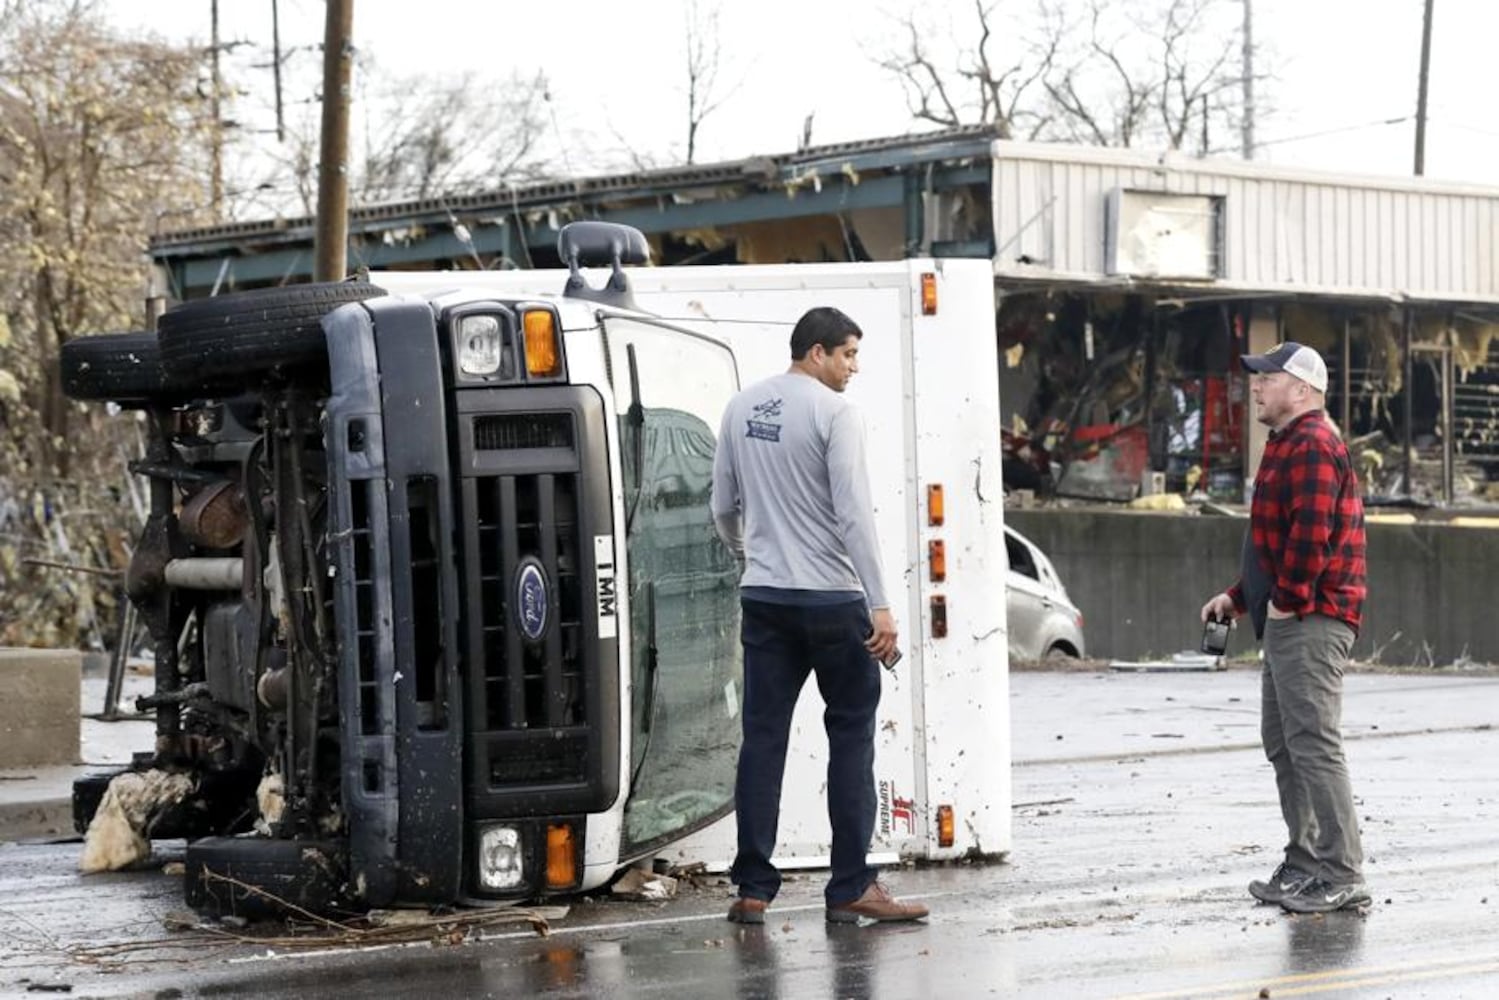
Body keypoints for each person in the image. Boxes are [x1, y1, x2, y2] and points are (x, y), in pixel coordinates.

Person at [710, 306, 928, 926]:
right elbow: (855, 514)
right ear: (815, 352)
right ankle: (850, 887)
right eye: (848, 355)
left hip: (766, 599)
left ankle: (752, 888)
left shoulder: (741, 408)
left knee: (762, 740)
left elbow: (723, 505)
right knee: (852, 738)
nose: (854, 368)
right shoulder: (836, 414)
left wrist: (748, 556)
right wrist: (880, 603)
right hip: (833, 600)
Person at [1200, 341, 1370, 914]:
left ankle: (1341, 870)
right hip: (1290, 615)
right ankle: (1304, 863)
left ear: (1302, 389)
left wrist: (1288, 602)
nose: (1257, 385)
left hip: (1312, 617)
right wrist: (1238, 597)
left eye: (1268, 377)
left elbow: (1311, 536)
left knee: (1314, 743)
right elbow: (1273, 543)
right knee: (1285, 743)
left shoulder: (1316, 445)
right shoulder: (1286, 444)